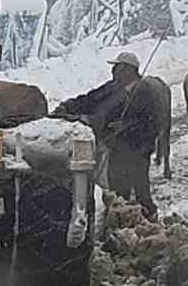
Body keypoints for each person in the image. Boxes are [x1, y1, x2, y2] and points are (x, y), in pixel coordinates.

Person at [52, 50, 159, 218]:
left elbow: (152, 123)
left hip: (137, 150)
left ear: (129, 70)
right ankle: (124, 220)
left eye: (117, 67)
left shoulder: (145, 92)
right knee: (117, 189)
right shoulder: (112, 87)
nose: (113, 71)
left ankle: (149, 219)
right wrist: (68, 107)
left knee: (141, 191)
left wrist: (126, 126)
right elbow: (90, 99)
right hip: (116, 148)